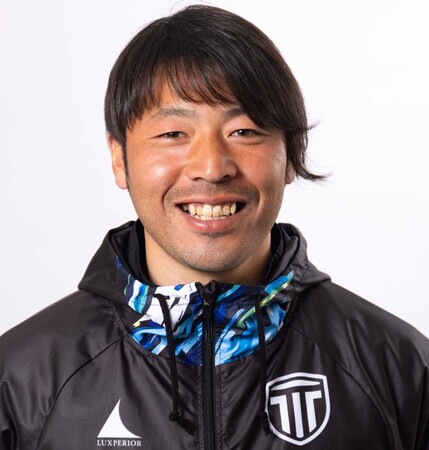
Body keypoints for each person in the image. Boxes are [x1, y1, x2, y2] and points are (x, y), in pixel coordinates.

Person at [0, 4, 428, 449]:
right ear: (119, 158)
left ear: (291, 155)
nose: (211, 167)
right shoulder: (22, 382)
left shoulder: (397, 370)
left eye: (244, 131)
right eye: (173, 134)